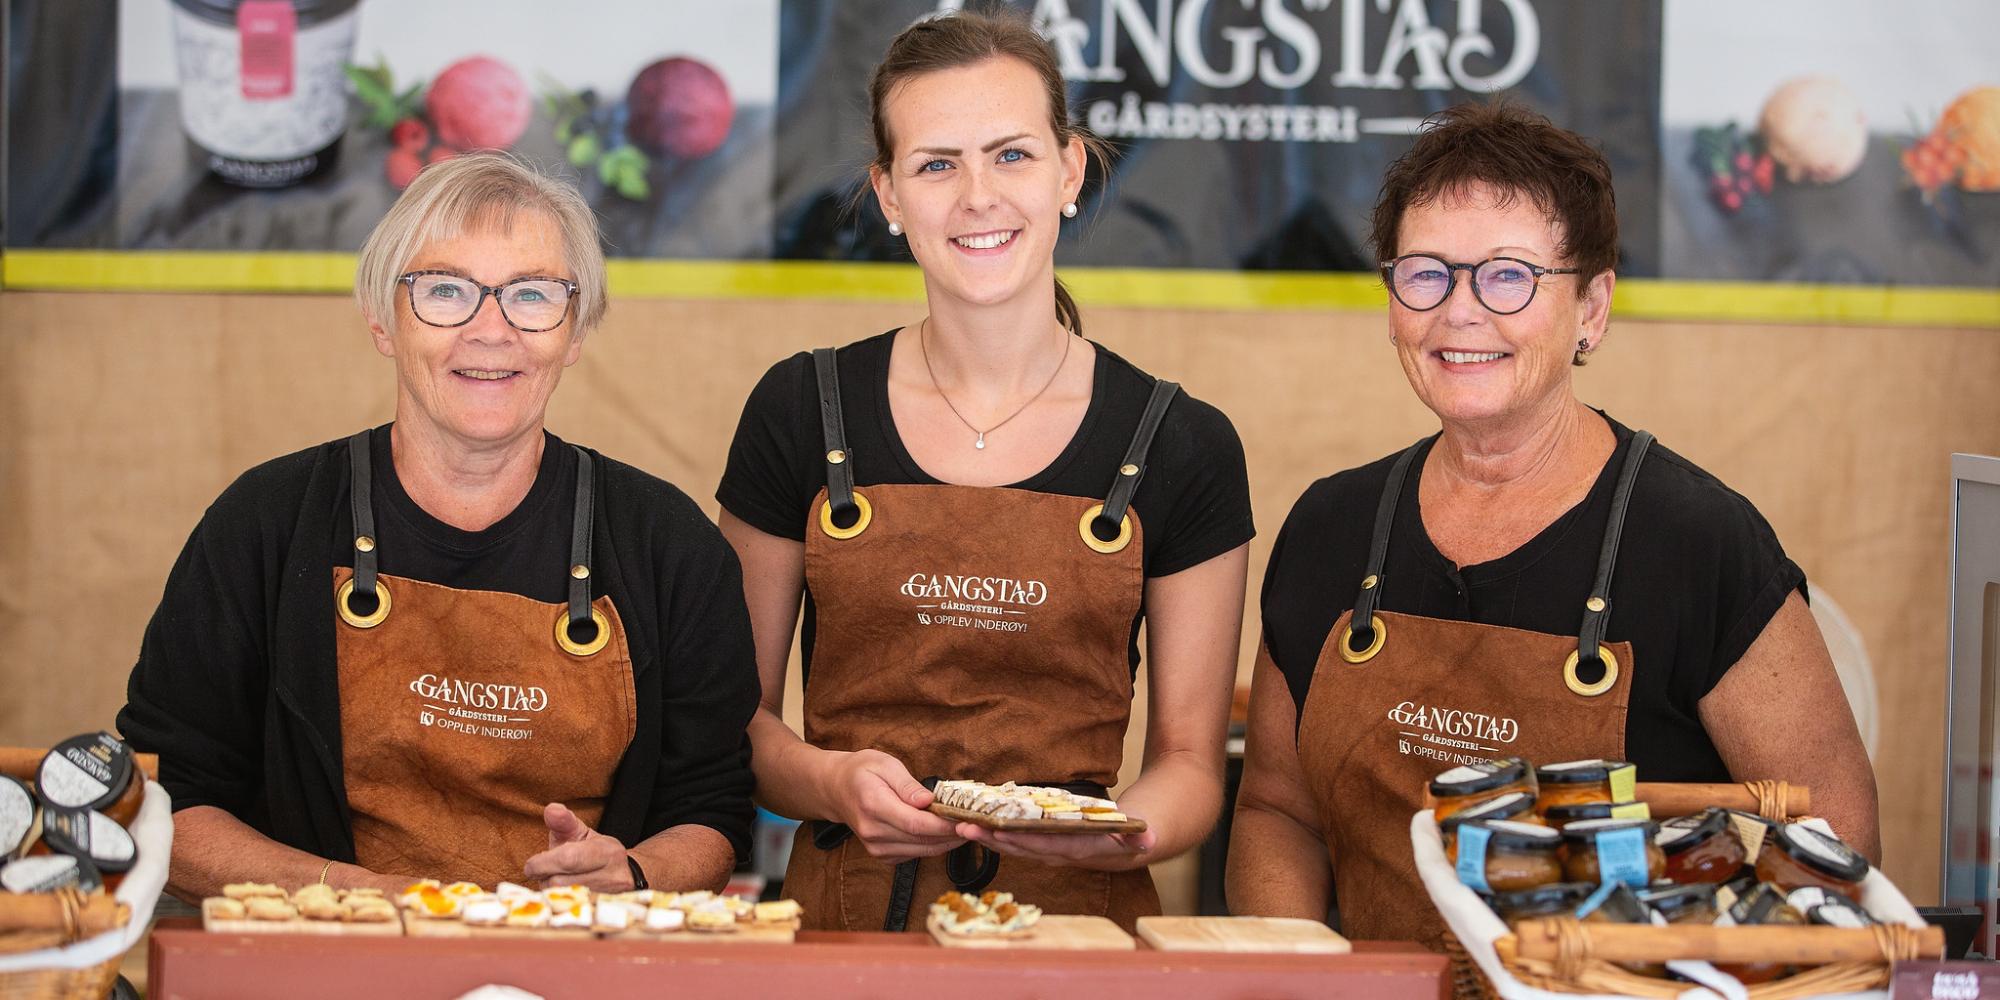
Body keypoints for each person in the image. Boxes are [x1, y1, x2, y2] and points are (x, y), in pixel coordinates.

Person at [1226, 102, 1880, 946]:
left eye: (1509, 275)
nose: (1460, 311)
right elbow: (1279, 810)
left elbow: (1834, 839)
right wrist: (1306, 975)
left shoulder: (1698, 543)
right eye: (1426, 272)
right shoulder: (1331, 528)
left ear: (1592, 309)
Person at [716, 9, 1254, 932]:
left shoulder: (1184, 443)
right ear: (888, 194)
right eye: (936, 164)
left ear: (1069, 170)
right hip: (844, 930)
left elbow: (1192, 766)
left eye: (1011, 155)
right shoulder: (800, 410)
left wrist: (1121, 832)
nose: (977, 196)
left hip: (1078, 938)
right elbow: (740, 730)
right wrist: (835, 782)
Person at [118, 153, 759, 900]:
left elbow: (712, 808)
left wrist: (635, 872)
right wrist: (346, 893)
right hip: (323, 966)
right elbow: (164, 803)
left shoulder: (667, 544)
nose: (492, 331)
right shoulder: (263, 524)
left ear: (574, 332)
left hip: (573, 967)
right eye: (446, 291)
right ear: (382, 322)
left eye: (532, 294)